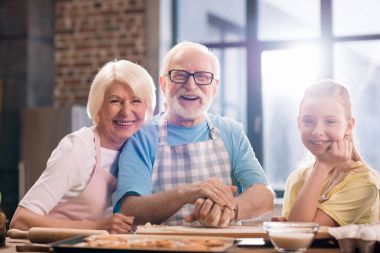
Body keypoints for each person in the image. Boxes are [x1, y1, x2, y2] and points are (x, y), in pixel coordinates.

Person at [113, 41, 274, 227]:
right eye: (180, 75)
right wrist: (185, 193)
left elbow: (264, 195)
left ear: (214, 87)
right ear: (164, 84)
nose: (190, 85)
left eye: (202, 76)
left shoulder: (230, 131)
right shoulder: (142, 137)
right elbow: (129, 210)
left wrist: (227, 210)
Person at [10, 59, 156, 233]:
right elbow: (21, 220)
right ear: (99, 106)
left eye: (136, 101)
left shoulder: (142, 149)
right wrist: (96, 227)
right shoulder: (78, 148)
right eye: (115, 101)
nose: (126, 111)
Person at [281, 79, 379, 226]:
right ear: (298, 123)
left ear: (349, 125)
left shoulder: (364, 182)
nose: (317, 131)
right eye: (308, 121)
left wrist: (323, 165)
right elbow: (292, 233)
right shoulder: (296, 179)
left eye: (330, 121)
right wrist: (282, 226)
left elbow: (301, 230)